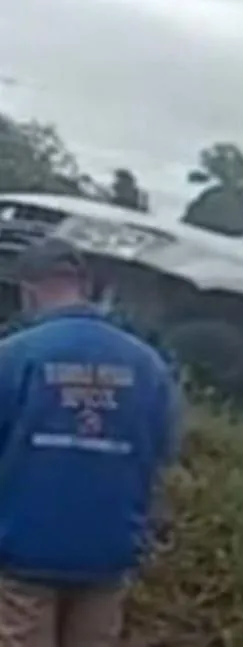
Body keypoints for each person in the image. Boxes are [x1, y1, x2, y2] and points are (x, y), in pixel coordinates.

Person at [0, 238, 182, 647]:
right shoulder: (147, 364)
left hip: (24, 548)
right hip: (108, 552)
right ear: (84, 285)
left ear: (29, 290)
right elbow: (163, 452)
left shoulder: (13, 356)